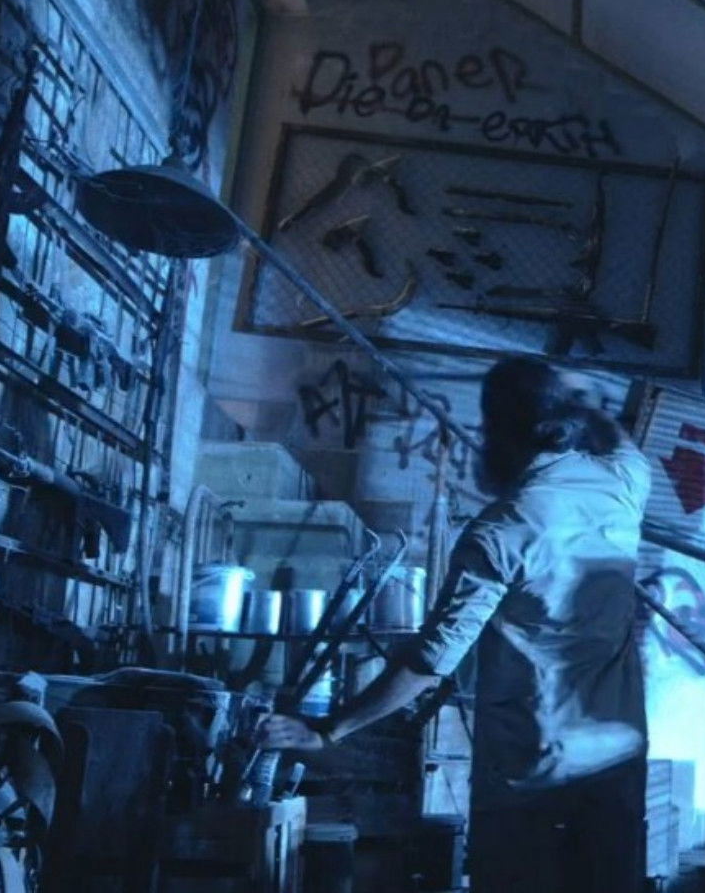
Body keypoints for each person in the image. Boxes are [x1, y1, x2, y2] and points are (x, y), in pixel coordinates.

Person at [257, 356, 652, 892]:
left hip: (528, 777)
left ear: (504, 432)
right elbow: (615, 436)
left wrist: (329, 729)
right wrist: (577, 400)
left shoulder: (501, 530)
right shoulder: (626, 482)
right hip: (615, 763)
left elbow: (430, 662)